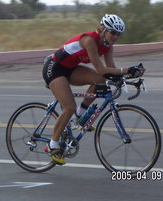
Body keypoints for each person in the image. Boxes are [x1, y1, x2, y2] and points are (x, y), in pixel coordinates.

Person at [42, 14, 145, 165]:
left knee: (100, 80)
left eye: (118, 34)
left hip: (70, 69)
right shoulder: (89, 40)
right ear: (103, 30)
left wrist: (128, 77)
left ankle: (80, 115)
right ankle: (52, 145)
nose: (115, 36)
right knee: (69, 107)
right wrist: (128, 70)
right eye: (113, 32)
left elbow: (110, 70)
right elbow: (101, 68)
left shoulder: (108, 46)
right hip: (54, 68)